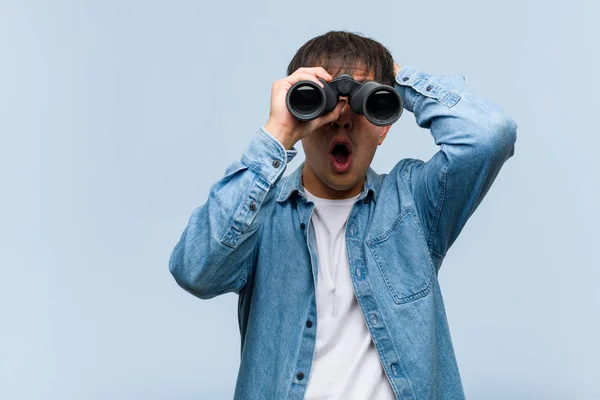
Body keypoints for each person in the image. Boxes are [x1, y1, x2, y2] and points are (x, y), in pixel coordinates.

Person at [169, 31, 517, 400]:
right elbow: (195, 271)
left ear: (384, 125)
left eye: (366, 103)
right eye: (326, 102)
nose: (342, 119)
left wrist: (399, 81)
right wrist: (278, 133)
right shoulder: (260, 216)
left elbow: (489, 135)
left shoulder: (412, 203)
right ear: (302, 116)